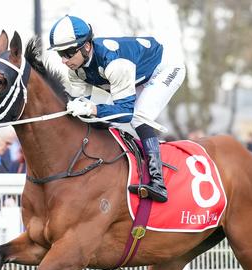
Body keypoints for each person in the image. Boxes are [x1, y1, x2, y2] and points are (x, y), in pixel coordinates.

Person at [49, 15, 185, 202]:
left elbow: (125, 114)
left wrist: (92, 108)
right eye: (60, 54)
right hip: (137, 75)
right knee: (103, 119)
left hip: (165, 68)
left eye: (68, 53)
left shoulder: (114, 63)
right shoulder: (75, 71)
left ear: (86, 46)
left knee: (138, 117)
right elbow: (86, 113)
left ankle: (158, 182)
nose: (64, 60)